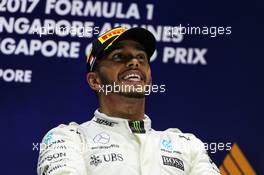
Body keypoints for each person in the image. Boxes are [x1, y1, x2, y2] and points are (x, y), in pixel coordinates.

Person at [37, 27, 220, 175]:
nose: (134, 62)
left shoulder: (187, 145)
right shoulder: (67, 139)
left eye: (141, 57)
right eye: (119, 57)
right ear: (94, 80)